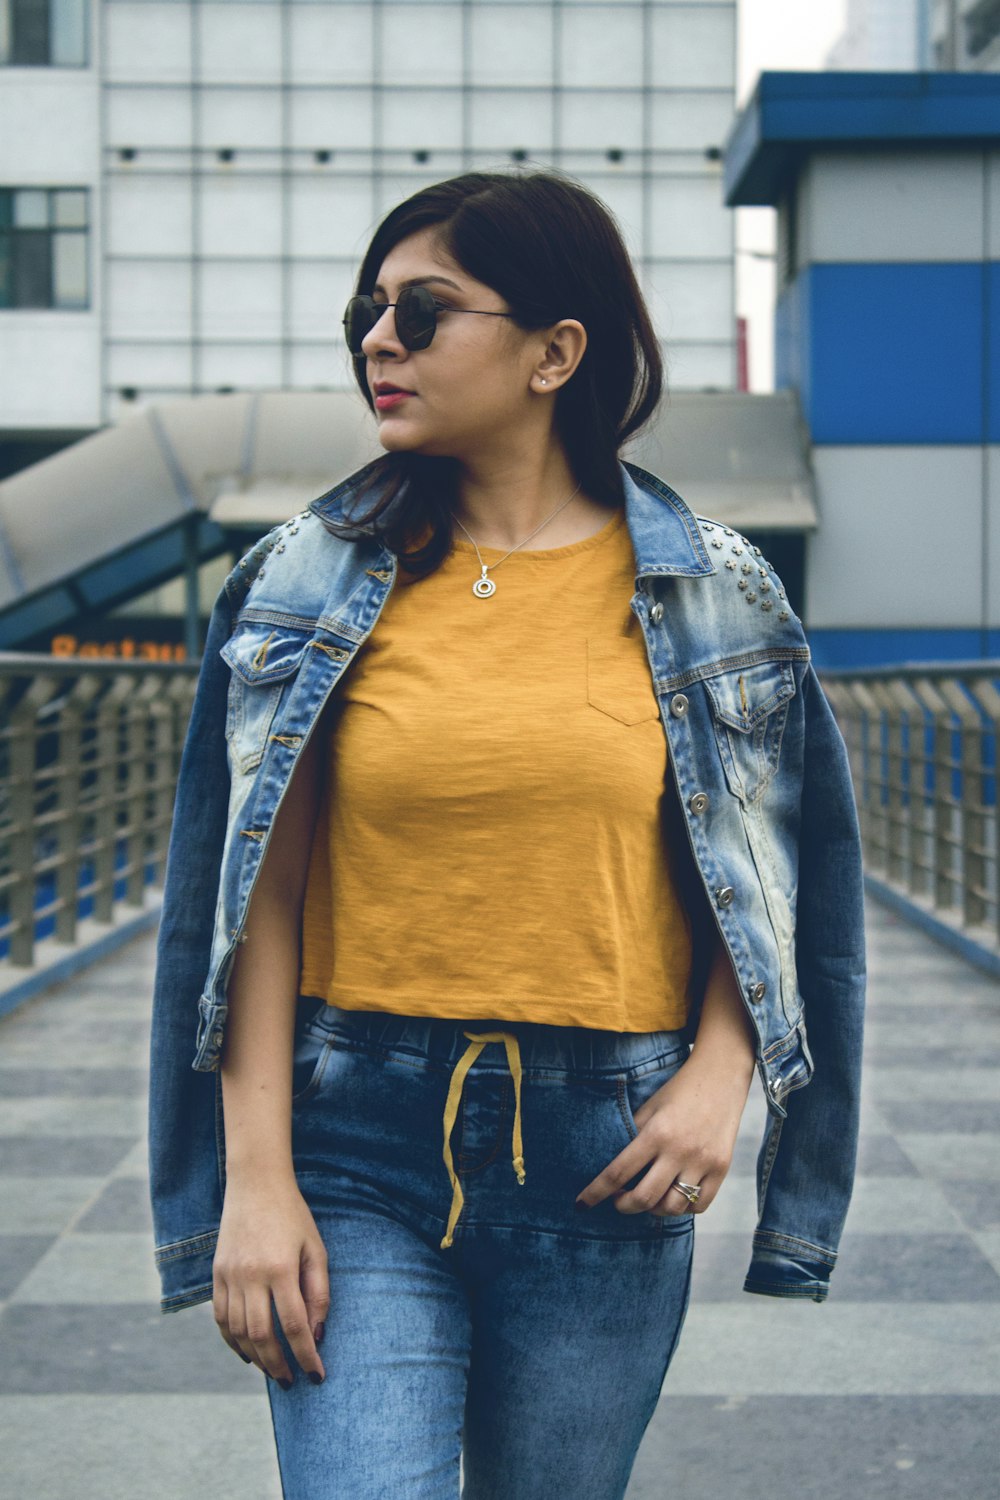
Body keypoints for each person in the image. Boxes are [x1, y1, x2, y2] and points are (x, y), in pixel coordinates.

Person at [147, 168, 866, 1499]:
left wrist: (721, 1079)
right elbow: (255, 903)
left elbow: (773, 880)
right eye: (369, 309)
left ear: (556, 351)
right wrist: (252, 1181)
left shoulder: (716, 590)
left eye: (425, 311)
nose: (379, 338)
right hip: (351, 1139)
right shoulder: (305, 577)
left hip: (609, 1155)